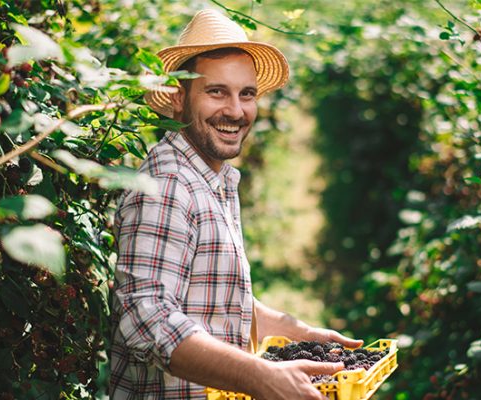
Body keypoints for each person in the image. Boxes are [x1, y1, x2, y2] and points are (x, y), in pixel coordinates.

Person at [110, 9, 362, 400]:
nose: (235, 111)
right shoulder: (167, 185)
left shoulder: (214, 179)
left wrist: (289, 330)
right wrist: (259, 376)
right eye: (216, 92)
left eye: (247, 94)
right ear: (179, 99)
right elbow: (148, 317)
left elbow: (209, 295)